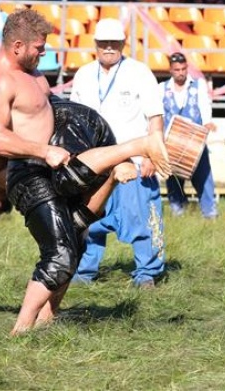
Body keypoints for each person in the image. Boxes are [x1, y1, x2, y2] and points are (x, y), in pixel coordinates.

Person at [0, 9, 170, 335]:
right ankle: (19, 333)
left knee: (77, 238)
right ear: (17, 46)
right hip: (28, 172)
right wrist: (44, 150)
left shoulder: (34, 74)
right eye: (39, 48)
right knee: (60, 252)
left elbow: (54, 113)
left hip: (54, 163)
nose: (44, 53)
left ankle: (46, 321)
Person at [69, 18, 168, 289]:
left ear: (123, 43)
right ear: (96, 45)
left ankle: (147, 272)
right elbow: (75, 118)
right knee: (90, 217)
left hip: (133, 160)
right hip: (95, 162)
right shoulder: (84, 74)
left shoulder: (140, 72)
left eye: (114, 42)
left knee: (141, 217)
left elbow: (155, 117)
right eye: (104, 43)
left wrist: (150, 155)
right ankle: (85, 271)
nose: (109, 47)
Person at [159, 52, 218, 219]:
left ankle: (210, 212)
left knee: (204, 177)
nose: (181, 72)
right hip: (171, 143)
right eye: (177, 69)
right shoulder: (161, 89)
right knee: (173, 179)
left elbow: (205, 106)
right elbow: (158, 114)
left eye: (184, 69)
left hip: (195, 142)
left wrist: (207, 121)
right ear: (170, 70)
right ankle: (178, 211)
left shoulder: (198, 85)